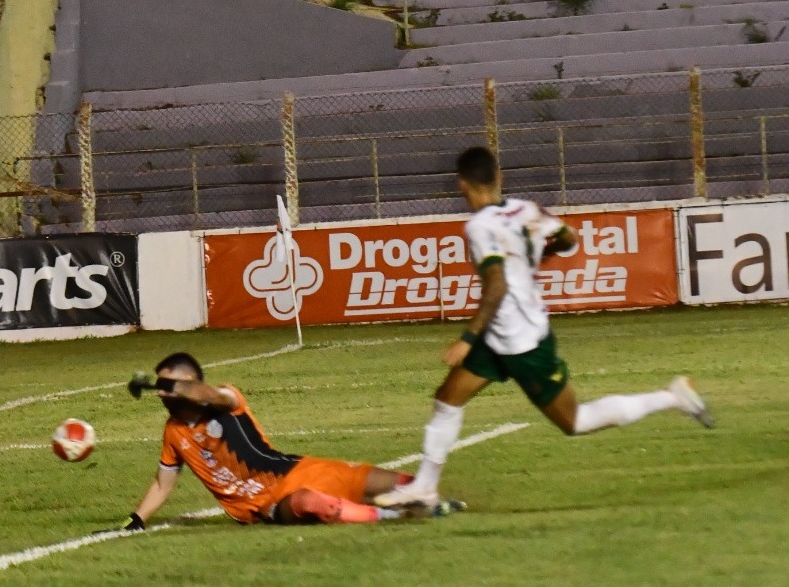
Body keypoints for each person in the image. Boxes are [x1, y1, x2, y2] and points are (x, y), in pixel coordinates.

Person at [375, 146, 714, 508]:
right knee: (447, 399)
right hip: (500, 334)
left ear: (462, 184)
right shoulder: (527, 209)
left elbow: (497, 285)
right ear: (498, 177)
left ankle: (672, 396)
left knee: (575, 421)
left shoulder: (479, 226)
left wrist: (467, 338)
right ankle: (425, 487)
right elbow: (568, 239)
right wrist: (535, 255)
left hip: (522, 341)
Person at [104, 352, 462, 531]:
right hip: (266, 504)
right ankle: (390, 515)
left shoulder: (226, 400)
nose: (164, 393)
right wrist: (136, 520)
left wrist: (160, 384)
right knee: (312, 504)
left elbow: (205, 393)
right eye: (161, 386)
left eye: (171, 385)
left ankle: (431, 503)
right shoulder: (173, 432)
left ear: (189, 382)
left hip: (300, 468)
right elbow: (162, 483)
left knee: (402, 483)